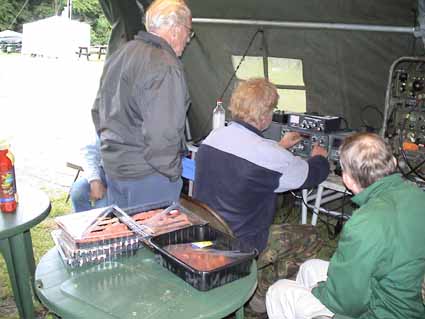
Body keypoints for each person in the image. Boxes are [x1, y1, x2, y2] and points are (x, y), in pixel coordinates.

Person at [193, 78, 330, 313]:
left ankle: (256, 285)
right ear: (266, 115)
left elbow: (250, 156)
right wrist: (320, 157)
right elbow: (309, 176)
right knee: (312, 234)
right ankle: (262, 292)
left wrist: (279, 147)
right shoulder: (269, 156)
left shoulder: (213, 138)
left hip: (206, 232)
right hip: (242, 243)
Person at [266, 132, 425, 319]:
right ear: (394, 163)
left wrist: (317, 292)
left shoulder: (365, 223)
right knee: (309, 267)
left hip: (382, 312)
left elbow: (347, 304)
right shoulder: (416, 194)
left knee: (279, 291)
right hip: (404, 298)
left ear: (347, 179)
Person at [92, 0, 192, 209]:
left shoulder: (121, 53)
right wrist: (172, 174)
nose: (188, 39)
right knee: (152, 239)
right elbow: (162, 134)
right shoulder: (165, 65)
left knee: (127, 236)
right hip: (148, 177)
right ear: (175, 30)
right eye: (188, 31)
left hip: (115, 169)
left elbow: (97, 110)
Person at [70, 135, 108, 212]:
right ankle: (83, 221)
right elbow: (90, 151)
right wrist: (94, 180)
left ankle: (102, 221)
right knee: (78, 192)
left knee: (101, 208)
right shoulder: (106, 123)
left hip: (131, 177)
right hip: (105, 170)